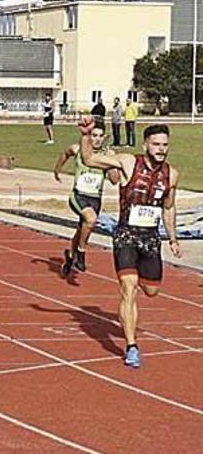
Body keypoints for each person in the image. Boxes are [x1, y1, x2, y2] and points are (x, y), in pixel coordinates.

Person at [77, 119, 182, 368]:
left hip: (151, 240)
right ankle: (131, 346)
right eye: (156, 144)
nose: (160, 149)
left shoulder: (172, 174)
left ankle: (132, 319)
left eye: (164, 145)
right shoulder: (128, 162)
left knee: (151, 291)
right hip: (126, 236)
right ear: (145, 144)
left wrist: (173, 239)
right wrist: (85, 135)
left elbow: (169, 208)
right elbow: (90, 159)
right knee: (128, 287)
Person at [53, 120, 120, 274]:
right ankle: (81, 253)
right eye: (93, 135)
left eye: (100, 136)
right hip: (78, 196)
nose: (96, 139)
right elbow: (64, 154)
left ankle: (70, 256)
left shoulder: (106, 155)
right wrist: (57, 170)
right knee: (90, 220)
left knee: (83, 228)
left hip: (95, 198)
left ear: (105, 137)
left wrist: (111, 163)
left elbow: (115, 180)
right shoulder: (77, 149)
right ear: (88, 136)